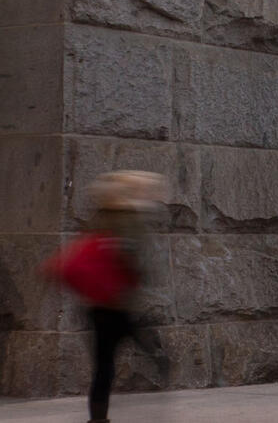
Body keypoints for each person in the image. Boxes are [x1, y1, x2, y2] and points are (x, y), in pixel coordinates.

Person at [58, 170, 166, 423]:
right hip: (117, 302)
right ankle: (157, 356)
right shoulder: (129, 220)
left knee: (104, 364)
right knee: (129, 349)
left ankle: (98, 418)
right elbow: (131, 258)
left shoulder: (100, 217)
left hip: (96, 302)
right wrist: (138, 273)